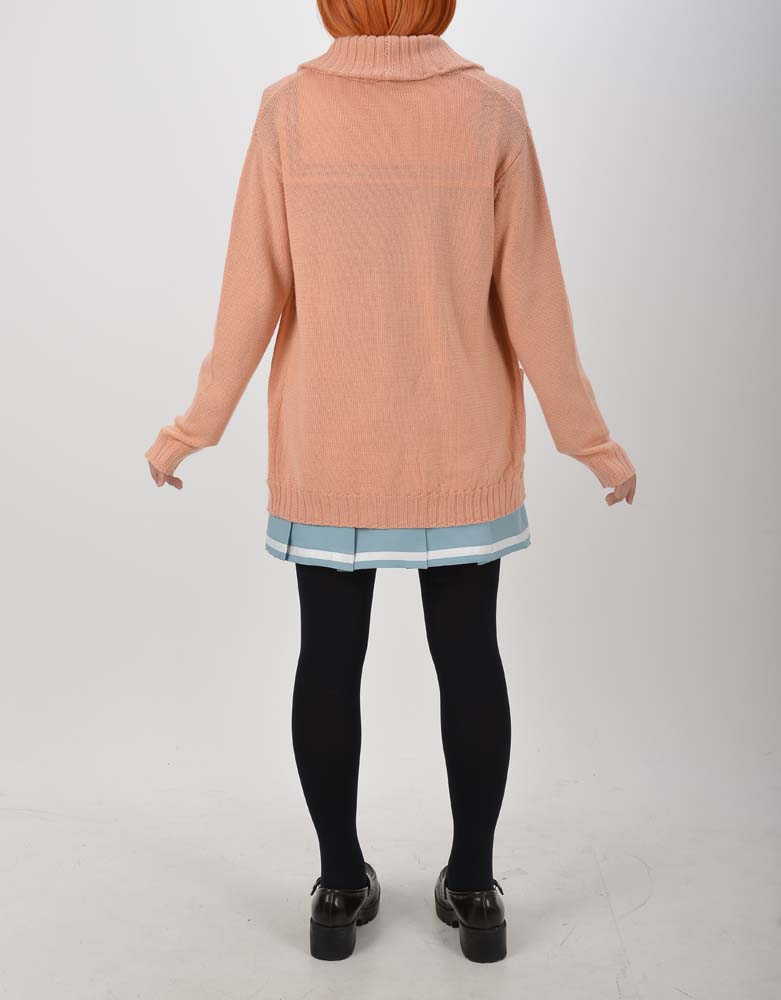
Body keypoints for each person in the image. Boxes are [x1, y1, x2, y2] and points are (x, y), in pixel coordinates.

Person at [145, 0, 637, 964]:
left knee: (327, 659)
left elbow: (252, 286)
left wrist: (192, 427)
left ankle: (337, 888)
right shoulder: (490, 109)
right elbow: (533, 293)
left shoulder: (290, 109)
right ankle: (475, 889)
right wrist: (591, 441)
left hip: (331, 451)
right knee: (470, 657)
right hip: (460, 452)